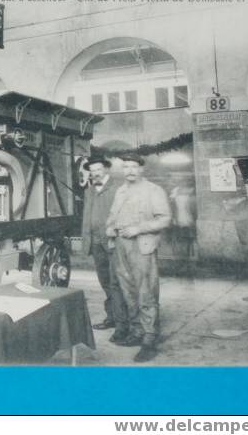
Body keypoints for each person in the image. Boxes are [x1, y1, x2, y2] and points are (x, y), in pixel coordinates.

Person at [106, 153, 171, 362]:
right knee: (128, 291)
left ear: (142, 169)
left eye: (134, 167)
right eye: (126, 167)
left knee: (146, 292)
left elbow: (165, 219)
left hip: (142, 245)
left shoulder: (153, 190)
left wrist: (138, 229)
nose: (130, 171)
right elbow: (112, 216)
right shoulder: (121, 191)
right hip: (121, 246)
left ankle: (149, 339)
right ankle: (136, 332)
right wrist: (109, 228)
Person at [79, 156, 127, 339]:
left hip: (113, 243)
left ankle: (123, 323)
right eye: (92, 171)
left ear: (106, 169)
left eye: (98, 169)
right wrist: (86, 244)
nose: (95, 174)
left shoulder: (118, 189)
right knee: (105, 282)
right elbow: (86, 218)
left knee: (117, 283)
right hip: (96, 244)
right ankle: (112, 317)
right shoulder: (89, 191)